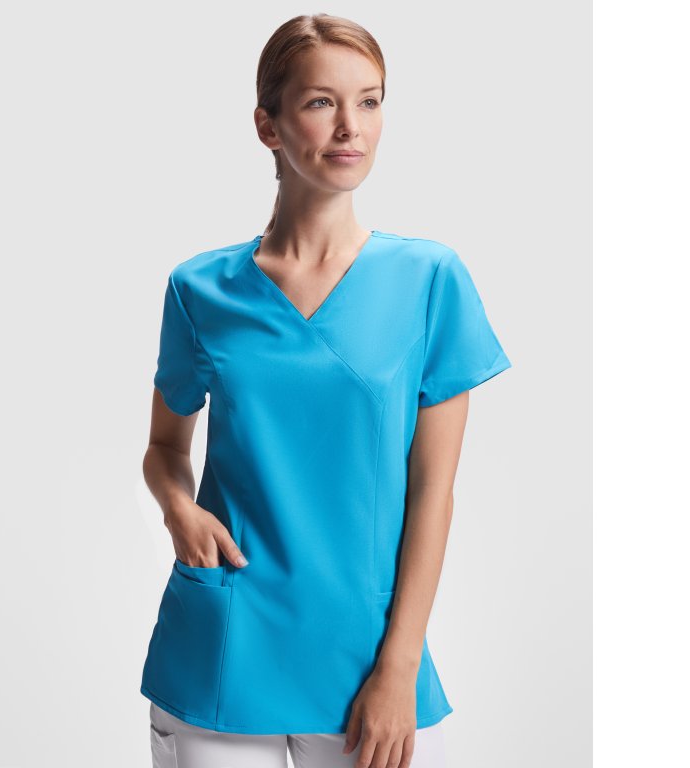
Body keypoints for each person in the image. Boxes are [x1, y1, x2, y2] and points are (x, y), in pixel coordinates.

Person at [140, 13, 512, 768]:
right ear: (267, 125)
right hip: (221, 645)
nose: (352, 128)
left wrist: (399, 669)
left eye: (370, 102)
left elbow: (433, 491)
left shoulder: (429, 280)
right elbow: (164, 448)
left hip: (366, 660)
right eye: (321, 102)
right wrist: (179, 508)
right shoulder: (200, 289)